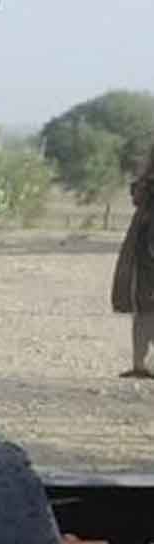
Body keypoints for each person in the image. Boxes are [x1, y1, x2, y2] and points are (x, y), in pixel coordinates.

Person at [114, 145, 154, 379]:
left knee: (145, 305)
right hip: (145, 246)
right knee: (143, 305)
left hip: (147, 245)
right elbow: (138, 196)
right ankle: (141, 364)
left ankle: (142, 363)